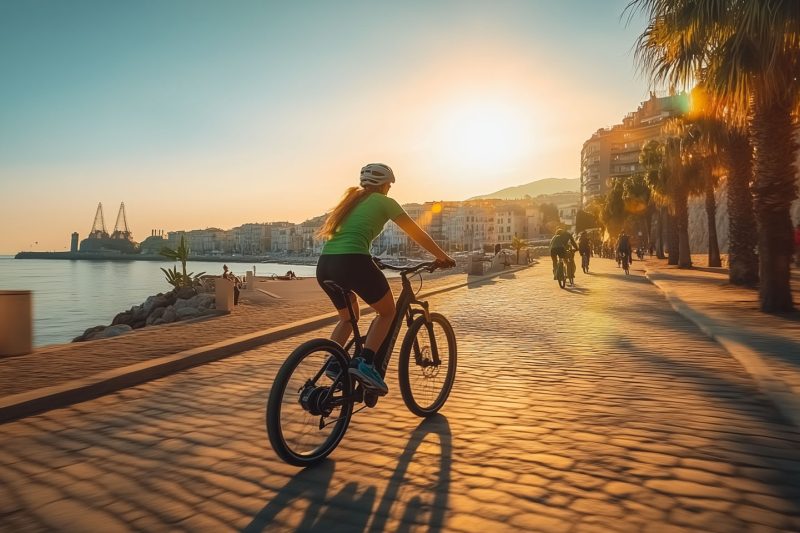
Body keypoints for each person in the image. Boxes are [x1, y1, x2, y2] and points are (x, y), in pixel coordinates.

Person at [316, 163, 455, 396]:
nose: (389, 189)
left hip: (326, 265)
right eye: (389, 185)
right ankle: (366, 363)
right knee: (387, 312)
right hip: (353, 262)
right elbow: (415, 231)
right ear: (384, 184)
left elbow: (350, 235)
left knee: (348, 318)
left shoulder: (350, 202)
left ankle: (333, 362)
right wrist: (441, 256)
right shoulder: (385, 202)